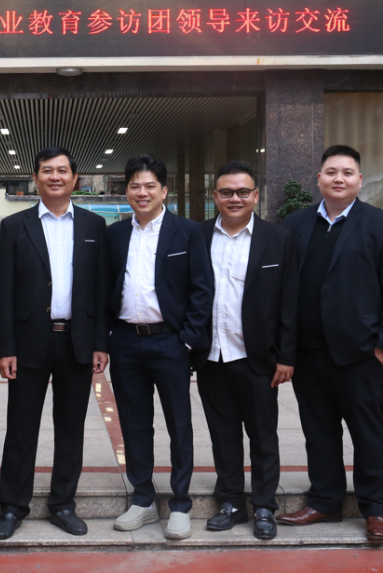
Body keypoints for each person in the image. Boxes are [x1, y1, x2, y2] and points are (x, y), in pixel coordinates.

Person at [276, 145, 383, 542]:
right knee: (318, 431)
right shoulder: (295, 224)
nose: (339, 178)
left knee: (368, 432)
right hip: (308, 353)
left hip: (360, 354)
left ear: (359, 180)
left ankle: (377, 509)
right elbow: (284, 288)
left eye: (347, 172)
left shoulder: (382, 224)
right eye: (332, 171)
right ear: (319, 178)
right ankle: (325, 501)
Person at [0, 147, 109, 540]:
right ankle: (13, 505)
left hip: (77, 340)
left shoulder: (94, 225)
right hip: (29, 342)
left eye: (62, 171)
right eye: (47, 171)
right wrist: (6, 347)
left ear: (75, 178)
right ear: (35, 178)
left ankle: (63, 504)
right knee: (21, 427)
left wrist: (100, 342)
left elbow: (101, 289)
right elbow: (5, 292)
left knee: (71, 428)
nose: (55, 177)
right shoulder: (15, 225)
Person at [106, 154, 213, 540]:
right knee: (134, 424)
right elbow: (105, 288)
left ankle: (180, 503)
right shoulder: (115, 234)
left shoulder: (188, 231)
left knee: (178, 424)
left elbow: (203, 289)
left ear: (164, 191)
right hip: (125, 342)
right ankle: (143, 499)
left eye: (150, 185)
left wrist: (186, 339)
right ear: (127, 191)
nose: (142, 192)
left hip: (170, 341)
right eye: (135, 185)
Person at [198, 161, 298, 540]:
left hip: (258, 357)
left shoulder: (278, 238)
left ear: (256, 196)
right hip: (212, 356)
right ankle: (231, 503)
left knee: (262, 435)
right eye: (226, 192)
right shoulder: (198, 235)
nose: (234, 198)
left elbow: (290, 301)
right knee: (223, 435)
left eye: (242, 192)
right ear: (215, 197)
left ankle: (265, 506)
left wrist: (286, 356)